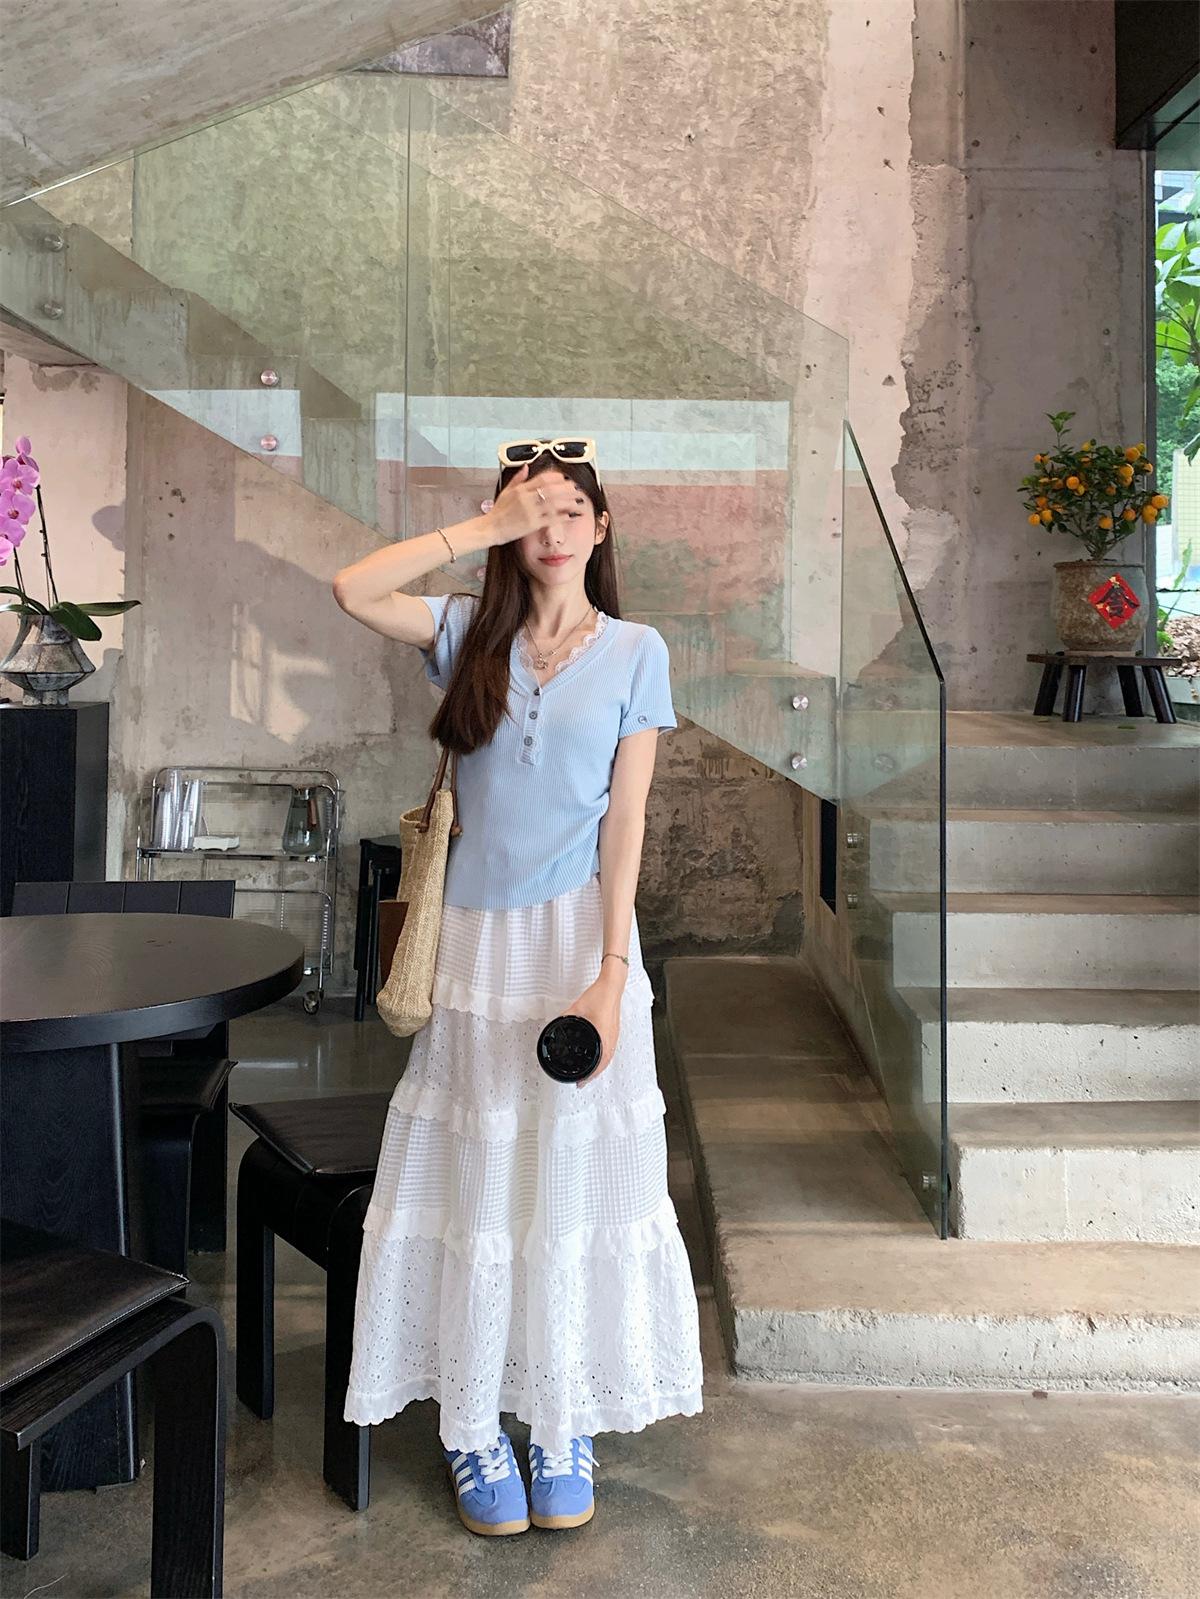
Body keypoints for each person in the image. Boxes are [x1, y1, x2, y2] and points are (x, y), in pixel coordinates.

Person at [331, 436, 703, 1537]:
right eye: (533, 510)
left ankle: (560, 1416)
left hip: (579, 941)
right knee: (482, 1177)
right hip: (477, 948)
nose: (552, 526)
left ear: (601, 527)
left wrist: (612, 971)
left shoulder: (636, 651)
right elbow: (355, 588)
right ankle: (473, 1424)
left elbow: (627, 822)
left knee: (570, 1181)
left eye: (570, 508)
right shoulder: (465, 633)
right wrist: (480, 528)